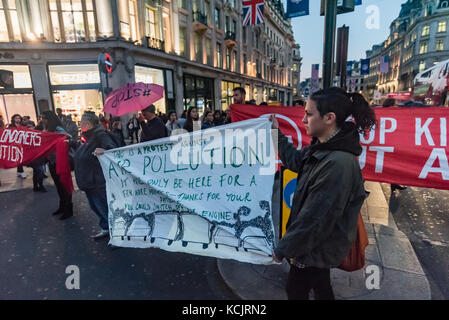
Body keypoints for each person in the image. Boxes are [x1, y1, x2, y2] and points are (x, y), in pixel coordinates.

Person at [270, 87, 376, 300]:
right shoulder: (322, 148)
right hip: (318, 246)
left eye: (309, 114)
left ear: (329, 118)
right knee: (321, 287)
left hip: (316, 248)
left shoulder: (337, 163)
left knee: (296, 290)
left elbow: (313, 220)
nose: (303, 120)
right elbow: (294, 160)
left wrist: (281, 250)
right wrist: (275, 132)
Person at [73, 112, 118, 239]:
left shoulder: (100, 135)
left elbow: (112, 150)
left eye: (81, 122)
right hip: (89, 180)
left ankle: (116, 234)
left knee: (103, 207)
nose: (80, 124)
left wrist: (105, 151)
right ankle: (106, 228)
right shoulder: (88, 136)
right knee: (95, 206)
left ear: (87, 124)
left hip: (97, 180)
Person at [41, 111, 74, 220]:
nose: (43, 120)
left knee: (64, 184)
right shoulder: (48, 129)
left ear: (49, 119)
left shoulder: (58, 129)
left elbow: (69, 137)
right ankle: (63, 206)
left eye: (44, 118)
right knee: (59, 186)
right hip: (52, 161)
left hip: (60, 161)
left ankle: (68, 208)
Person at [8, 114, 27, 179]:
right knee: (19, 158)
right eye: (16, 118)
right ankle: (21, 172)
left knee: (20, 158)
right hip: (14, 144)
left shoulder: (22, 126)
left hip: (22, 144)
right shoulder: (10, 126)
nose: (17, 119)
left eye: (19, 118)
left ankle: (19, 171)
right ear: (13, 119)